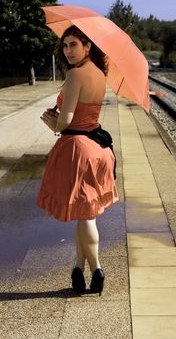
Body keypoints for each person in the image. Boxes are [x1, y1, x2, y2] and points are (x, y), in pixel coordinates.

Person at [37, 25, 119, 296]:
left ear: (87, 46)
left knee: (86, 216)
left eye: (73, 45)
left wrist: (53, 124)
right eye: (65, 46)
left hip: (79, 151)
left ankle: (96, 268)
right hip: (99, 148)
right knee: (83, 215)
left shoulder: (75, 75)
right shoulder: (98, 73)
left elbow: (67, 120)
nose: (68, 51)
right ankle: (77, 268)